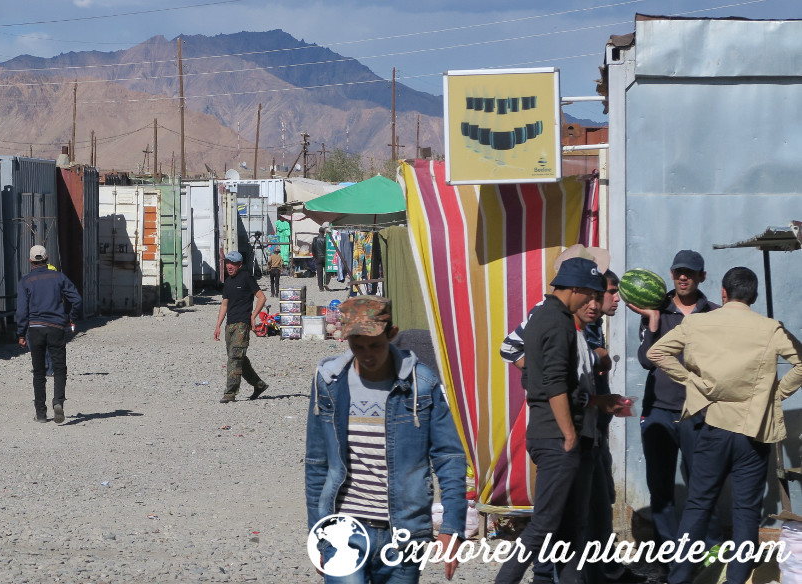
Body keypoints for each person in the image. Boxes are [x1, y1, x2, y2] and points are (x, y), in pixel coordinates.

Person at [647, 267, 802, 584]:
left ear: (722, 293)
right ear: (753, 296)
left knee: (698, 505)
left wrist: (690, 381)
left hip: (710, 426)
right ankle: (736, 580)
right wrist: (776, 394)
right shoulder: (770, 328)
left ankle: (678, 578)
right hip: (753, 430)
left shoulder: (698, 322)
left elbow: (656, 352)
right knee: (746, 511)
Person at [305, 296, 467, 583]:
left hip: (404, 535)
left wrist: (451, 527)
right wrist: (317, 533)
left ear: (392, 334)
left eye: (375, 345)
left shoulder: (422, 385)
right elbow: (317, 463)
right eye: (358, 345)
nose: (367, 354)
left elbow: (449, 457)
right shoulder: (329, 382)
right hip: (344, 529)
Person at [495, 257, 618, 584]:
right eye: (590, 295)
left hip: (566, 435)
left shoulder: (559, 319)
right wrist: (568, 435)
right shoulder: (555, 321)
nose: (593, 302)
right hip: (556, 437)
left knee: (569, 529)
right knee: (545, 524)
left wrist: (594, 401)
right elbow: (552, 383)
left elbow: (565, 382)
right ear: (575, 289)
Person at [633, 250, 718, 564]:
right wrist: (653, 320)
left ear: (702, 277)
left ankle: (708, 553)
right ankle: (668, 557)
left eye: (691, 273)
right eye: (679, 272)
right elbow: (645, 360)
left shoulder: (714, 313)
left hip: (700, 412)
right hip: (659, 410)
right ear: (671, 275)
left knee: (702, 484)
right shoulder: (655, 310)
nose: (684, 277)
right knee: (660, 487)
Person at [15, 244, 82, 424]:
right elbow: (77, 299)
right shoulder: (59, 277)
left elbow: (21, 310)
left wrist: (21, 333)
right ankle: (58, 402)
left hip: (35, 329)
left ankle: (41, 413)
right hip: (56, 328)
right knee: (59, 368)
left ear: (30, 261)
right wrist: (71, 317)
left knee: (38, 372)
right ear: (47, 258)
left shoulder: (26, 281)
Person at [214, 250, 269, 403]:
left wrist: (253, 316)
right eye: (227, 263)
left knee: (234, 358)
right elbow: (224, 304)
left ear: (240, 265)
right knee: (239, 359)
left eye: (232, 263)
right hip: (229, 326)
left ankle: (230, 393)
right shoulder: (228, 282)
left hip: (242, 324)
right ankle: (259, 385)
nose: (229, 266)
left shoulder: (246, 277)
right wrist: (218, 325)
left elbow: (261, 297)